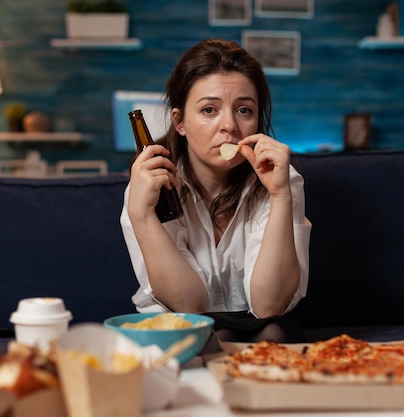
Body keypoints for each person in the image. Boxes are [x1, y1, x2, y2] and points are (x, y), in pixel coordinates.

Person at [120, 39, 312, 350]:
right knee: (213, 339)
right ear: (180, 122)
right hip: (181, 329)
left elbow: (269, 305)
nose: (230, 126)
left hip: (266, 327)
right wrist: (141, 216)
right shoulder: (151, 185)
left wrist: (280, 196)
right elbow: (189, 305)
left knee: (273, 335)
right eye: (209, 109)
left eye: (244, 110)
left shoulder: (280, 178)